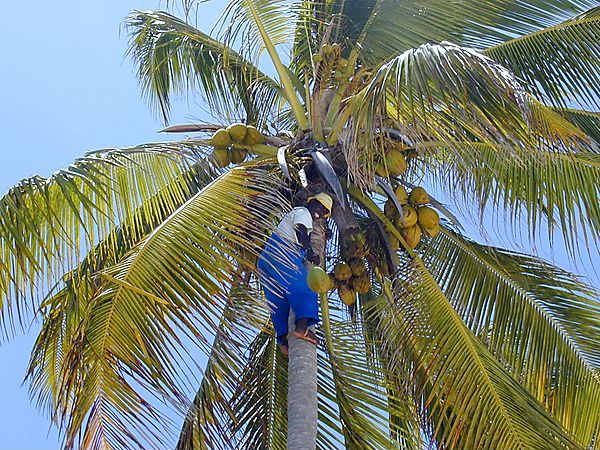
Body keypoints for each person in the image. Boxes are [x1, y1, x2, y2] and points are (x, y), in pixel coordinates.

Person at [257, 193, 333, 357]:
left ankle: (284, 340)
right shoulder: (302, 212)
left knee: (278, 301)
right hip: (281, 252)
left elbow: (303, 234)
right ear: (311, 201)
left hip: (266, 260)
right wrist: (310, 253)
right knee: (306, 287)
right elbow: (301, 232)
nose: (320, 212)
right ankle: (301, 328)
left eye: (325, 211)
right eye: (320, 206)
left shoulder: (301, 216)